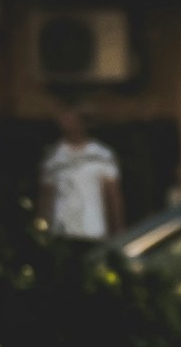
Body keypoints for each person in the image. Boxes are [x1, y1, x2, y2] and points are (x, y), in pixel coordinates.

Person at [39, 102, 125, 247]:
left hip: (92, 233)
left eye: (71, 118)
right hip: (61, 234)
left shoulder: (102, 155)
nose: (66, 123)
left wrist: (118, 230)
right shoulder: (54, 156)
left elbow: (113, 195)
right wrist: (43, 230)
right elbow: (46, 196)